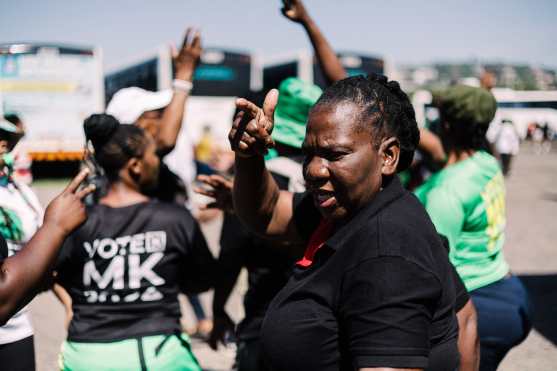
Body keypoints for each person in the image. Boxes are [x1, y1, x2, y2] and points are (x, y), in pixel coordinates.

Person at [228, 74, 461, 371]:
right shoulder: (350, 208)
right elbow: (270, 212)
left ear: (388, 155)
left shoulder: (386, 251)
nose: (313, 171)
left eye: (334, 154)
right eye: (308, 153)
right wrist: (248, 157)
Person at [53, 114, 216, 371]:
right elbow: (203, 280)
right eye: (154, 155)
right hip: (159, 355)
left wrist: (72, 304)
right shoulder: (174, 219)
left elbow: (49, 273)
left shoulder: (76, 221)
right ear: (136, 166)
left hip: (87, 355)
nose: (157, 162)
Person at [414, 85, 531, 371]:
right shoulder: (487, 163)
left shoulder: (446, 192)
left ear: (445, 124)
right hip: (507, 290)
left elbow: (430, 273)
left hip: (478, 305)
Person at [0, 161, 94, 371]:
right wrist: (56, 226)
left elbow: (39, 256)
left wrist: (67, 302)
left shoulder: (21, 193)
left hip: (16, 327)